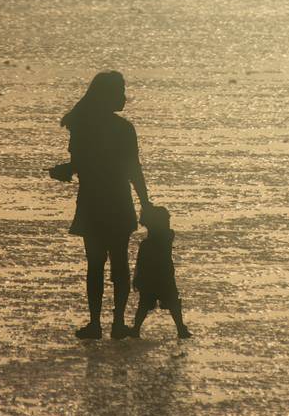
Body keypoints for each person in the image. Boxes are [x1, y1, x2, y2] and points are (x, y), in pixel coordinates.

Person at [48, 71, 150, 340]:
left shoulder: (82, 126)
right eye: (120, 91)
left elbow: (83, 164)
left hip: (93, 201)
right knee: (119, 263)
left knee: (95, 264)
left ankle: (95, 324)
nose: (124, 97)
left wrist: (66, 169)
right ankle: (117, 323)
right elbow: (133, 170)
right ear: (108, 95)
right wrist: (146, 203)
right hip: (117, 201)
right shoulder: (123, 129)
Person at [129, 203, 190, 339]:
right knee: (172, 303)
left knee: (144, 305)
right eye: (166, 221)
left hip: (152, 279)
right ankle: (180, 328)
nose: (168, 224)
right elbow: (141, 263)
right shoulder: (166, 237)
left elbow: (140, 264)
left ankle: (136, 329)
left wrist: (137, 279)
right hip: (164, 278)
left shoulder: (149, 243)